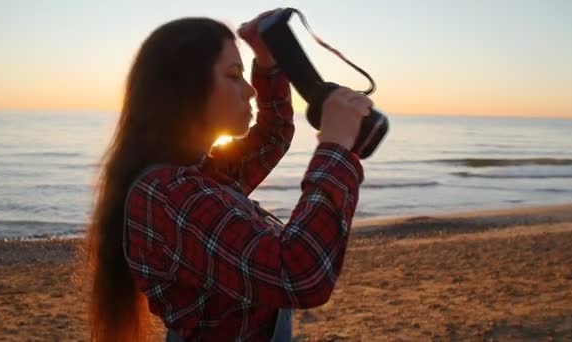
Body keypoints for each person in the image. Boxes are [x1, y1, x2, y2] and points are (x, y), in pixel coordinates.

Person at [85, 9, 372, 342]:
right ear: (185, 88)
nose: (250, 90)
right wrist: (334, 147)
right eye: (234, 75)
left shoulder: (201, 173)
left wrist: (266, 61)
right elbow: (297, 273)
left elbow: (273, 134)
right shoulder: (167, 196)